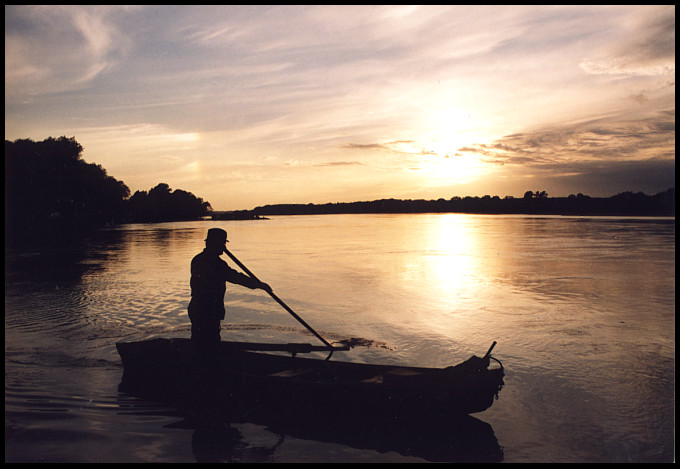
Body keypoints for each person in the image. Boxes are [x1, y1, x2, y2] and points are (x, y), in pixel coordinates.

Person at [188, 228, 271, 347]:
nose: (224, 247)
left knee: (199, 340)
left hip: (197, 307)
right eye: (222, 243)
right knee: (210, 343)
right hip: (208, 310)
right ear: (215, 243)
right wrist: (259, 284)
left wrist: (258, 284)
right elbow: (236, 277)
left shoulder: (198, 259)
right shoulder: (215, 263)